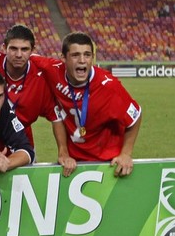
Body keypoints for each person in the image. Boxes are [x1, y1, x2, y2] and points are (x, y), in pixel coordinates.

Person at [43, 32, 142, 177]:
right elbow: (22, 54)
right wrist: (63, 151)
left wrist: (126, 154)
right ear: (63, 58)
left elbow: (136, 116)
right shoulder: (53, 71)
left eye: (87, 55)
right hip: (72, 164)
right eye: (75, 55)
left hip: (108, 165)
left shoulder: (109, 87)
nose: (82, 60)